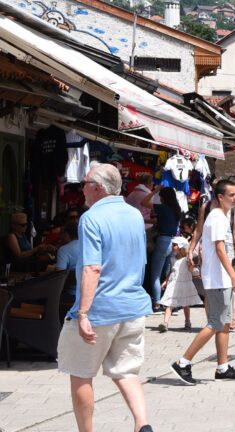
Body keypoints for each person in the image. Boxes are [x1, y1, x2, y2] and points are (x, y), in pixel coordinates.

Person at [56, 162, 154, 432]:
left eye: (84, 184)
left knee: (81, 374)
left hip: (100, 309)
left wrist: (83, 313)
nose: (81, 190)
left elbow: (91, 267)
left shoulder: (91, 218)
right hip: (132, 306)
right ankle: (142, 424)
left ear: (97, 188)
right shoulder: (134, 215)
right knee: (125, 370)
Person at [171, 180, 235, 386]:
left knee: (224, 323)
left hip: (221, 279)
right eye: (231, 195)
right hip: (218, 278)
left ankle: (222, 367)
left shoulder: (221, 216)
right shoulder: (216, 218)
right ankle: (183, 362)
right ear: (220, 197)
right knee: (215, 322)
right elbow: (220, 250)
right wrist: (234, 276)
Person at [141, 186, 182, 313]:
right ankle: (168, 301)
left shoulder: (163, 208)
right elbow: (160, 222)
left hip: (163, 241)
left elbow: (143, 202)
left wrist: (155, 190)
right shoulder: (176, 209)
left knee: (155, 275)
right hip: (172, 242)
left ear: (163, 197)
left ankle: (157, 304)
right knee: (166, 274)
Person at [158, 237, 202, 332]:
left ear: (181, 247)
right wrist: (166, 281)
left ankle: (187, 322)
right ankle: (165, 323)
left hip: (184, 283)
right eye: (173, 245)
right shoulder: (172, 258)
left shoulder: (186, 259)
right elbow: (172, 271)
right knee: (169, 303)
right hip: (173, 283)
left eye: (175, 245)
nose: (173, 247)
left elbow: (191, 270)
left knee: (185, 304)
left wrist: (191, 266)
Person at [54, 222, 80, 303]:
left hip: (71, 295)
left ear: (67, 234)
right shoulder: (91, 246)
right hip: (91, 295)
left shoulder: (64, 250)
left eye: (62, 233)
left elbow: (59, 275)